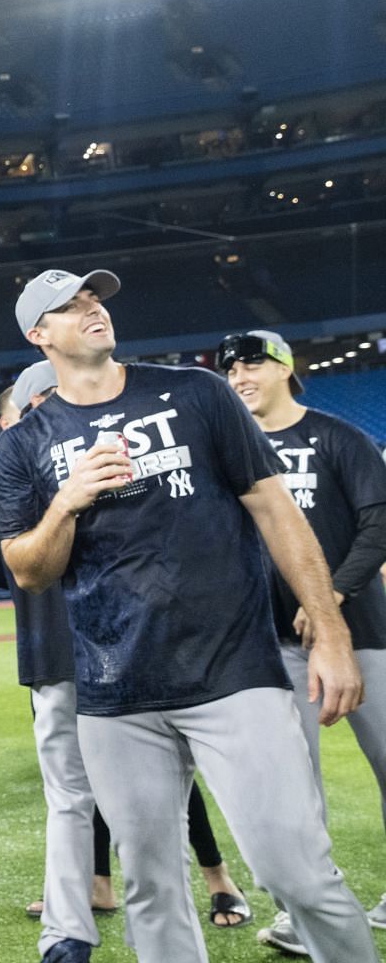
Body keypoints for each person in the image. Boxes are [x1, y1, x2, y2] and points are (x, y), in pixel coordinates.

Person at [0, 269, 376, 963]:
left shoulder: (196, 393)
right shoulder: (26, 443)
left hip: (234, 673)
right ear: (38, 335)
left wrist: (331, 629)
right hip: (114, 695)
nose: (92, 311)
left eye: (95, 299)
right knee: (149, 887)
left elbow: (273, 506)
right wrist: (67, 502)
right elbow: (27, 567)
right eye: (69, 308)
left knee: (298, 873)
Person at [0, 366, 253, 953]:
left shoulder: (118, 449)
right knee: (98, 791)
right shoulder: (17, 472)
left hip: (108, 647)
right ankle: (82, 910)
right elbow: (0, 563)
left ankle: (191, 885)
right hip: (87, 649)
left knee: (137, 785)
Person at [220, 327, 386, 949]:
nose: (240, 377)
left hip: (359, 633)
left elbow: (379, 524)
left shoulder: (340, 437)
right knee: (293, 784)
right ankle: (306, 911)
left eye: (253, 365)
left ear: (286, 369)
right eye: (231, 370)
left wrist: (331, 597)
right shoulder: (230, 450)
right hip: (267, 642)